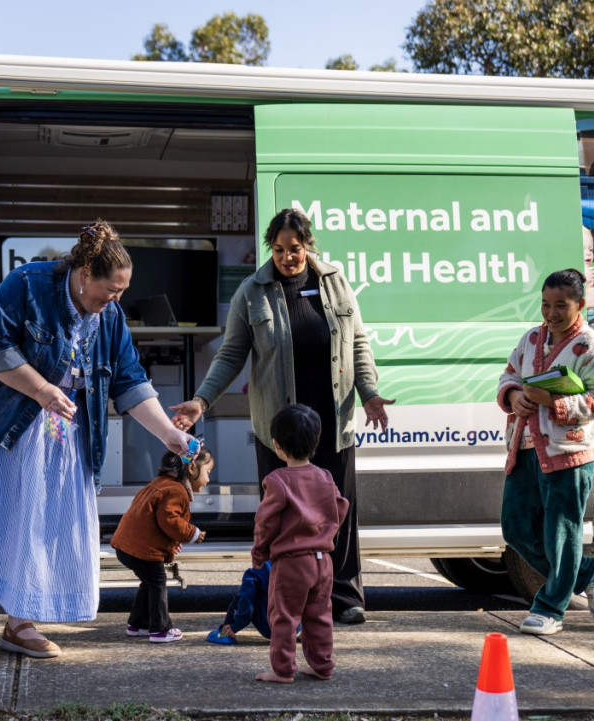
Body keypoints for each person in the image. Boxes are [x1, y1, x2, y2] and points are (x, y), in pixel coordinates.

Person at [0, 220, 194, 660]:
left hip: (46, 423)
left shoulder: (110, 317)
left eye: (122, 291)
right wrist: (44, 390)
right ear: (84, 276)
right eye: (112, 289)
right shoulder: (28, 284)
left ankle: (19, 621)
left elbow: (130, 381)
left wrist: (169, 433)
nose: (117, 300)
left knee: (33, 520)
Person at [170, 208, 393, 625]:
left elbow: (358, 343)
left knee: (337, 507)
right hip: (281, 426)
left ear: (308, 245)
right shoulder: (253, 291)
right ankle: (288, 598)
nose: (288, 257)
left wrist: (370, 394)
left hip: (333, 417)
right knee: (284, 514)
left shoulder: (334, 282)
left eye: (295, 249)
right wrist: (201, 401)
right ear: (269, 248)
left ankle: (344, 597)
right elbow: (231, 353)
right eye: (278, 250)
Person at [497, 269, 594, 636]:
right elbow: (509, 374)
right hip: (525, 447)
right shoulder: (531, 338)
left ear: (580, 304)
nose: (551, 313)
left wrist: (554, 402)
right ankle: (587, 572)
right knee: (515, 528)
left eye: (560, 305)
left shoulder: (591, 347)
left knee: (560, 535)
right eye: (546, 305)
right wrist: (514, 396)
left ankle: (551, 608)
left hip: (569, 452)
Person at [252, 404, 349, 683]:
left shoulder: (277, 480)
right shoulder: (325, 476)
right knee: (319, 615)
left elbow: (265, 522)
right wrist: (327, 531)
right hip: (323, 561)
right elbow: (341, 506)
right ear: (315, 442)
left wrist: (259, 552)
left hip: (292, 562)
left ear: (276, 445)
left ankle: (282, 670)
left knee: (283, 616)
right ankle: (322, 665)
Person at [109, 447, 214, 643]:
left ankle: (138, 624)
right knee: (157, 583)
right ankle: (160, 630)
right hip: (142, 550)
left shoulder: (162, 484)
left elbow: (155, 525)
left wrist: (171, 543)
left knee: (149, 583)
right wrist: (192, 533)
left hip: (127, 547)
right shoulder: (176, 490)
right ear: (192, 468)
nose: (208, 479)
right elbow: (169, 520)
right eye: (208, 472)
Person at [205, 561, 274, 645]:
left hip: (270, 627)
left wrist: (235, 627)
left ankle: (225, 631)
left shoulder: (255, 572)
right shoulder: (292, 565)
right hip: (292, 627)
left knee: (246, 594)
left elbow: (247, 605)